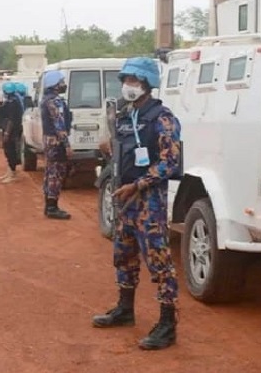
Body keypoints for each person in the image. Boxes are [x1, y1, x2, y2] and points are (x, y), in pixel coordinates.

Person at [91, 57, 182, 351]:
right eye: (125, 81)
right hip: (124, 200)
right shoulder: (124, 115)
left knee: (159, 263)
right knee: (124, 255)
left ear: (146, 84)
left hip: (148, 202)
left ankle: (168, 325)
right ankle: (125, 309)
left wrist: (139, 184)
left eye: (133, 81)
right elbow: (122, 154)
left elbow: (170, 162)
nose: (127, 86)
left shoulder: (162, 118)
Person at [40, 70, 73, 219]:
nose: (63, 85)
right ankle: (52, 207)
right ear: (55, 84)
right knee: (56, 173)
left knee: (49, 172)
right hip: (56, 142)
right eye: (61, 82)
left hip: (48, 141)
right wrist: (66, 144)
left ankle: (49, 205)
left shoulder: (46, 99)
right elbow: (59, 124)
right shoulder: (55, 101)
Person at [0, 82, 23, 184]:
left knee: (10, 152)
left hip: (11, 132)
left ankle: (12, 174)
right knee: (7, 152)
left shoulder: (13, 103)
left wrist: (7, 133)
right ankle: (9, 172)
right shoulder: (11, 101)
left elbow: (11, 120)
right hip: (8, 130)